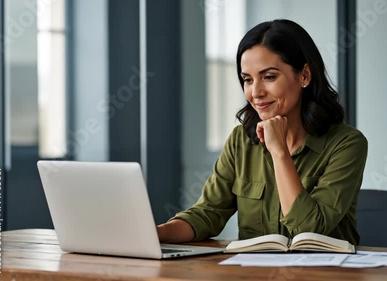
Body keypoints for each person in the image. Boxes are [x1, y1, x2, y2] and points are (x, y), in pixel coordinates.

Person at [157, 19, 368, 245]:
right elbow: (207, 214)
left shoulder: (347, 144)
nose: (255, 92)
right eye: (248, 79)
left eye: (269, 77)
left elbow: (308, 231)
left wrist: (279, 152)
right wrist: (152, 234)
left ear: (304, 75)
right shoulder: (241, 140)